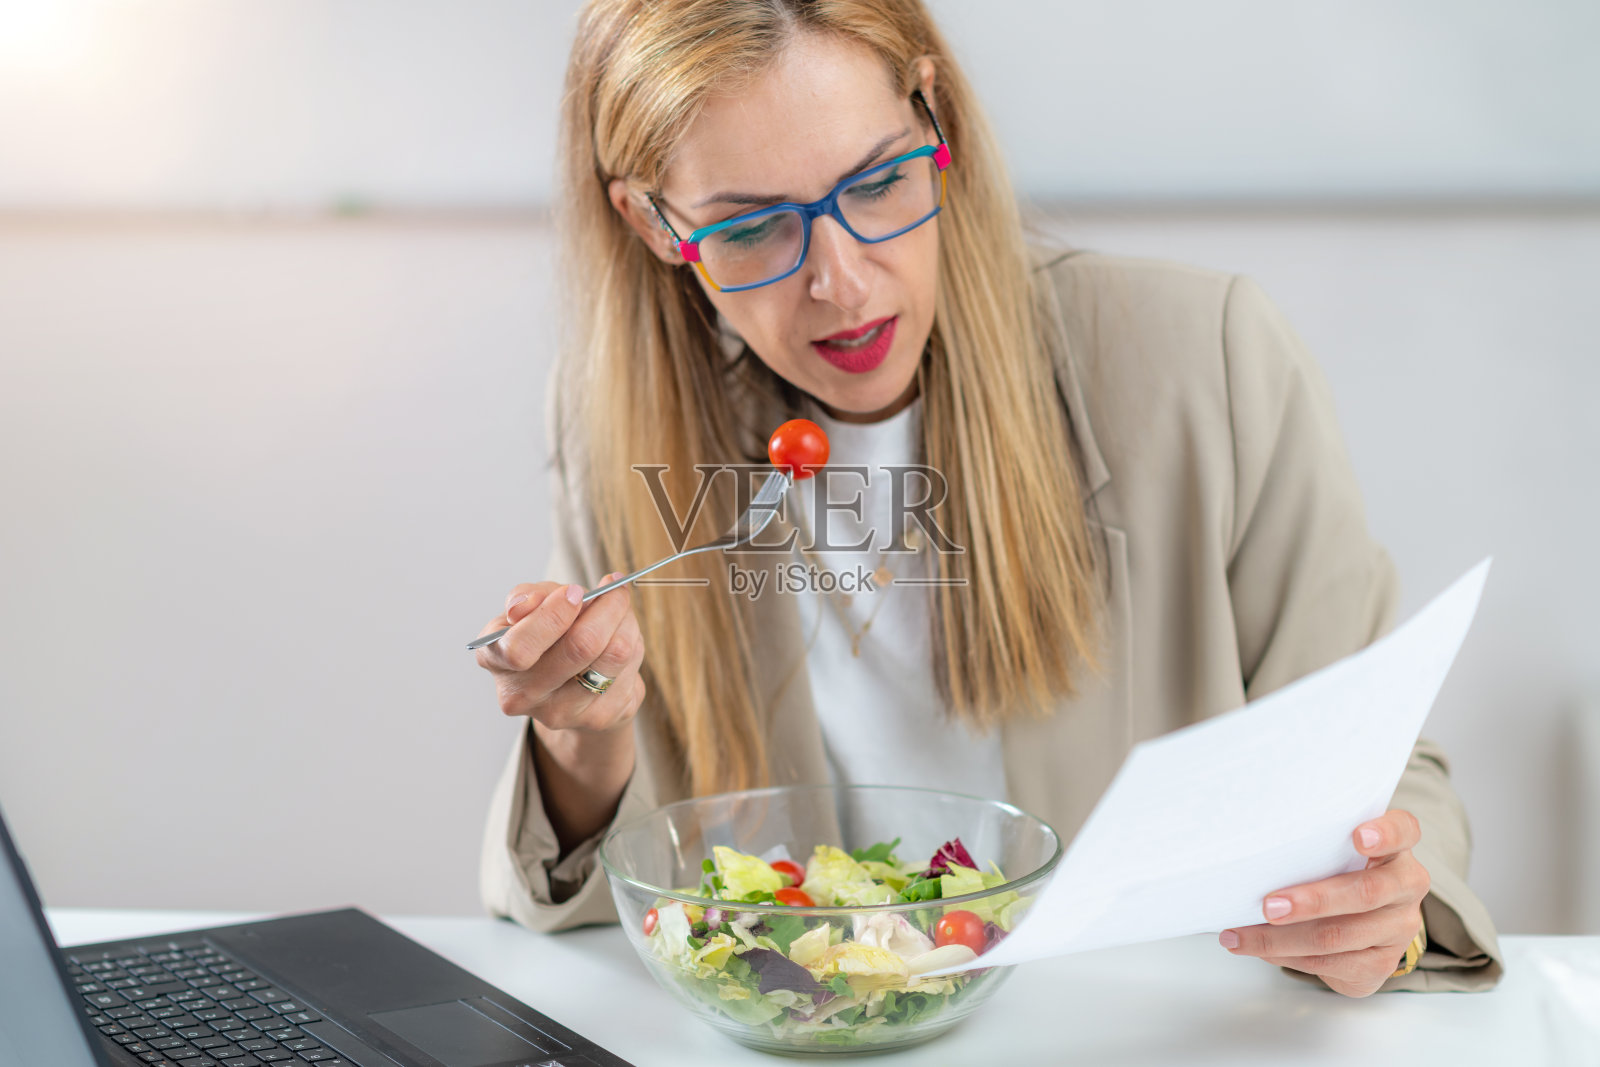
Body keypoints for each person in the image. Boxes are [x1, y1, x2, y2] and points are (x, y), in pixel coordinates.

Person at [474, 0, 1501, 996]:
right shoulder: (619, 423)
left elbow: (1382, 766)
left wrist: (1385, 918)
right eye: (751, 229)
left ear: (937, 118)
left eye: (875, 182)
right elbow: (593, 906)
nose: (840, 279)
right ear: (654, 223)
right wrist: (581, 734)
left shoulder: (1203, 360)